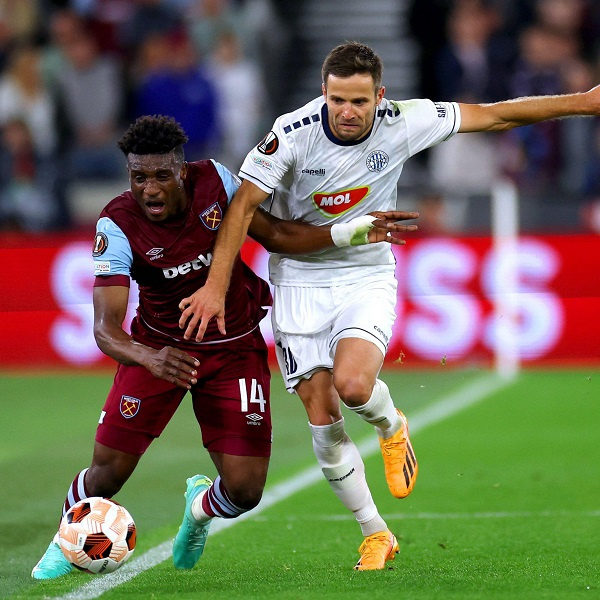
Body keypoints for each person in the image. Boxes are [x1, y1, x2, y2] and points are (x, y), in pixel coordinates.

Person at [177, 41, 600, 570]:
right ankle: (375, 533)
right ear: (323, 93)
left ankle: (390, 424)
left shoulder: (405, 121)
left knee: (353, 387)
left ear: (380, 97)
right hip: (300, 279)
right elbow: (243, 206)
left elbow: (495, 115)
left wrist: (584, 102)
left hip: (366, 271)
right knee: (322, 418)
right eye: (337, 100)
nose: (347, 112)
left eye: (359, 101)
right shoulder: (291, 134)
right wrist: (215, 286)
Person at [31, 114, 418, 580]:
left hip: (234, 349)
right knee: (108, 472)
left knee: (245, 490)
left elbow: (277, 235)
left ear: (182, 170)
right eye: (138, 178)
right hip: (160, 352)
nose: (150, 189)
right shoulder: (117, 223)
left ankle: (199, 506)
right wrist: (151, 358)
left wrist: (352, 230)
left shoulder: (216, 183)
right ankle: (63, 542)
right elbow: (105, 329)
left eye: (161, 176)